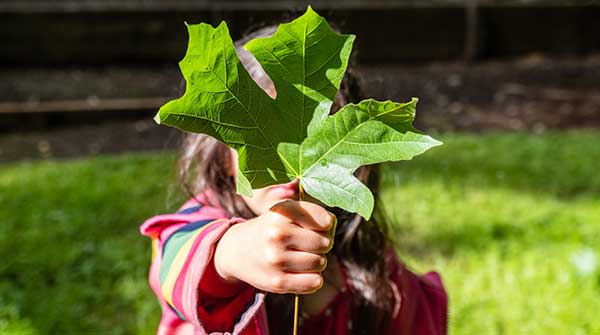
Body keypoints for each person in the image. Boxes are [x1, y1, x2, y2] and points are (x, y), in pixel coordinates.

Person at [141, 26, 447, 335]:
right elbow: (175, 261)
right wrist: (230, 253)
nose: (287, 164)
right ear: (224, 158)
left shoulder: (366, 257)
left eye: (314, 138)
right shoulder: (200, 222)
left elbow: (417, 317)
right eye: (264, 141)